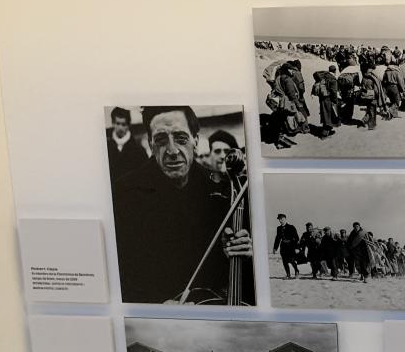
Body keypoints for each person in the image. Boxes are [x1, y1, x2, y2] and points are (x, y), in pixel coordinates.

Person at [110, 106, 254, 304]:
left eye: (181, 138)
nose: (172, 150)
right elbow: (119, 274)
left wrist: (245, 255)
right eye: (161, 140)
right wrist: (155, 305)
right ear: (151, 144)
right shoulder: (124, 193)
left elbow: (242, 282)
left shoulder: (222, 190)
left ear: (196, 140)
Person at [106, 107, 148, 181]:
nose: (120, 128)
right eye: (117, 123)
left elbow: (145, 174)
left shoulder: (138, 150)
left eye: (123, 124)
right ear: (113, 123)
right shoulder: (107, 146)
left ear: (128, 125)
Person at [273, 213, 301, 278]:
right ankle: (288, 275)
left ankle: (296, 270)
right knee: (284, 261)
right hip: (283, 247)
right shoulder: (278, 228)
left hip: (291, 247)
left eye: (281, 219)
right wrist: (275, 248)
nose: (280, 220)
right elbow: (277, 239)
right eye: (279, 219)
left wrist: (297, 247)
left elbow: (296, 238)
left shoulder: (291, 227)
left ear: (285, 219)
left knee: (291, 260)